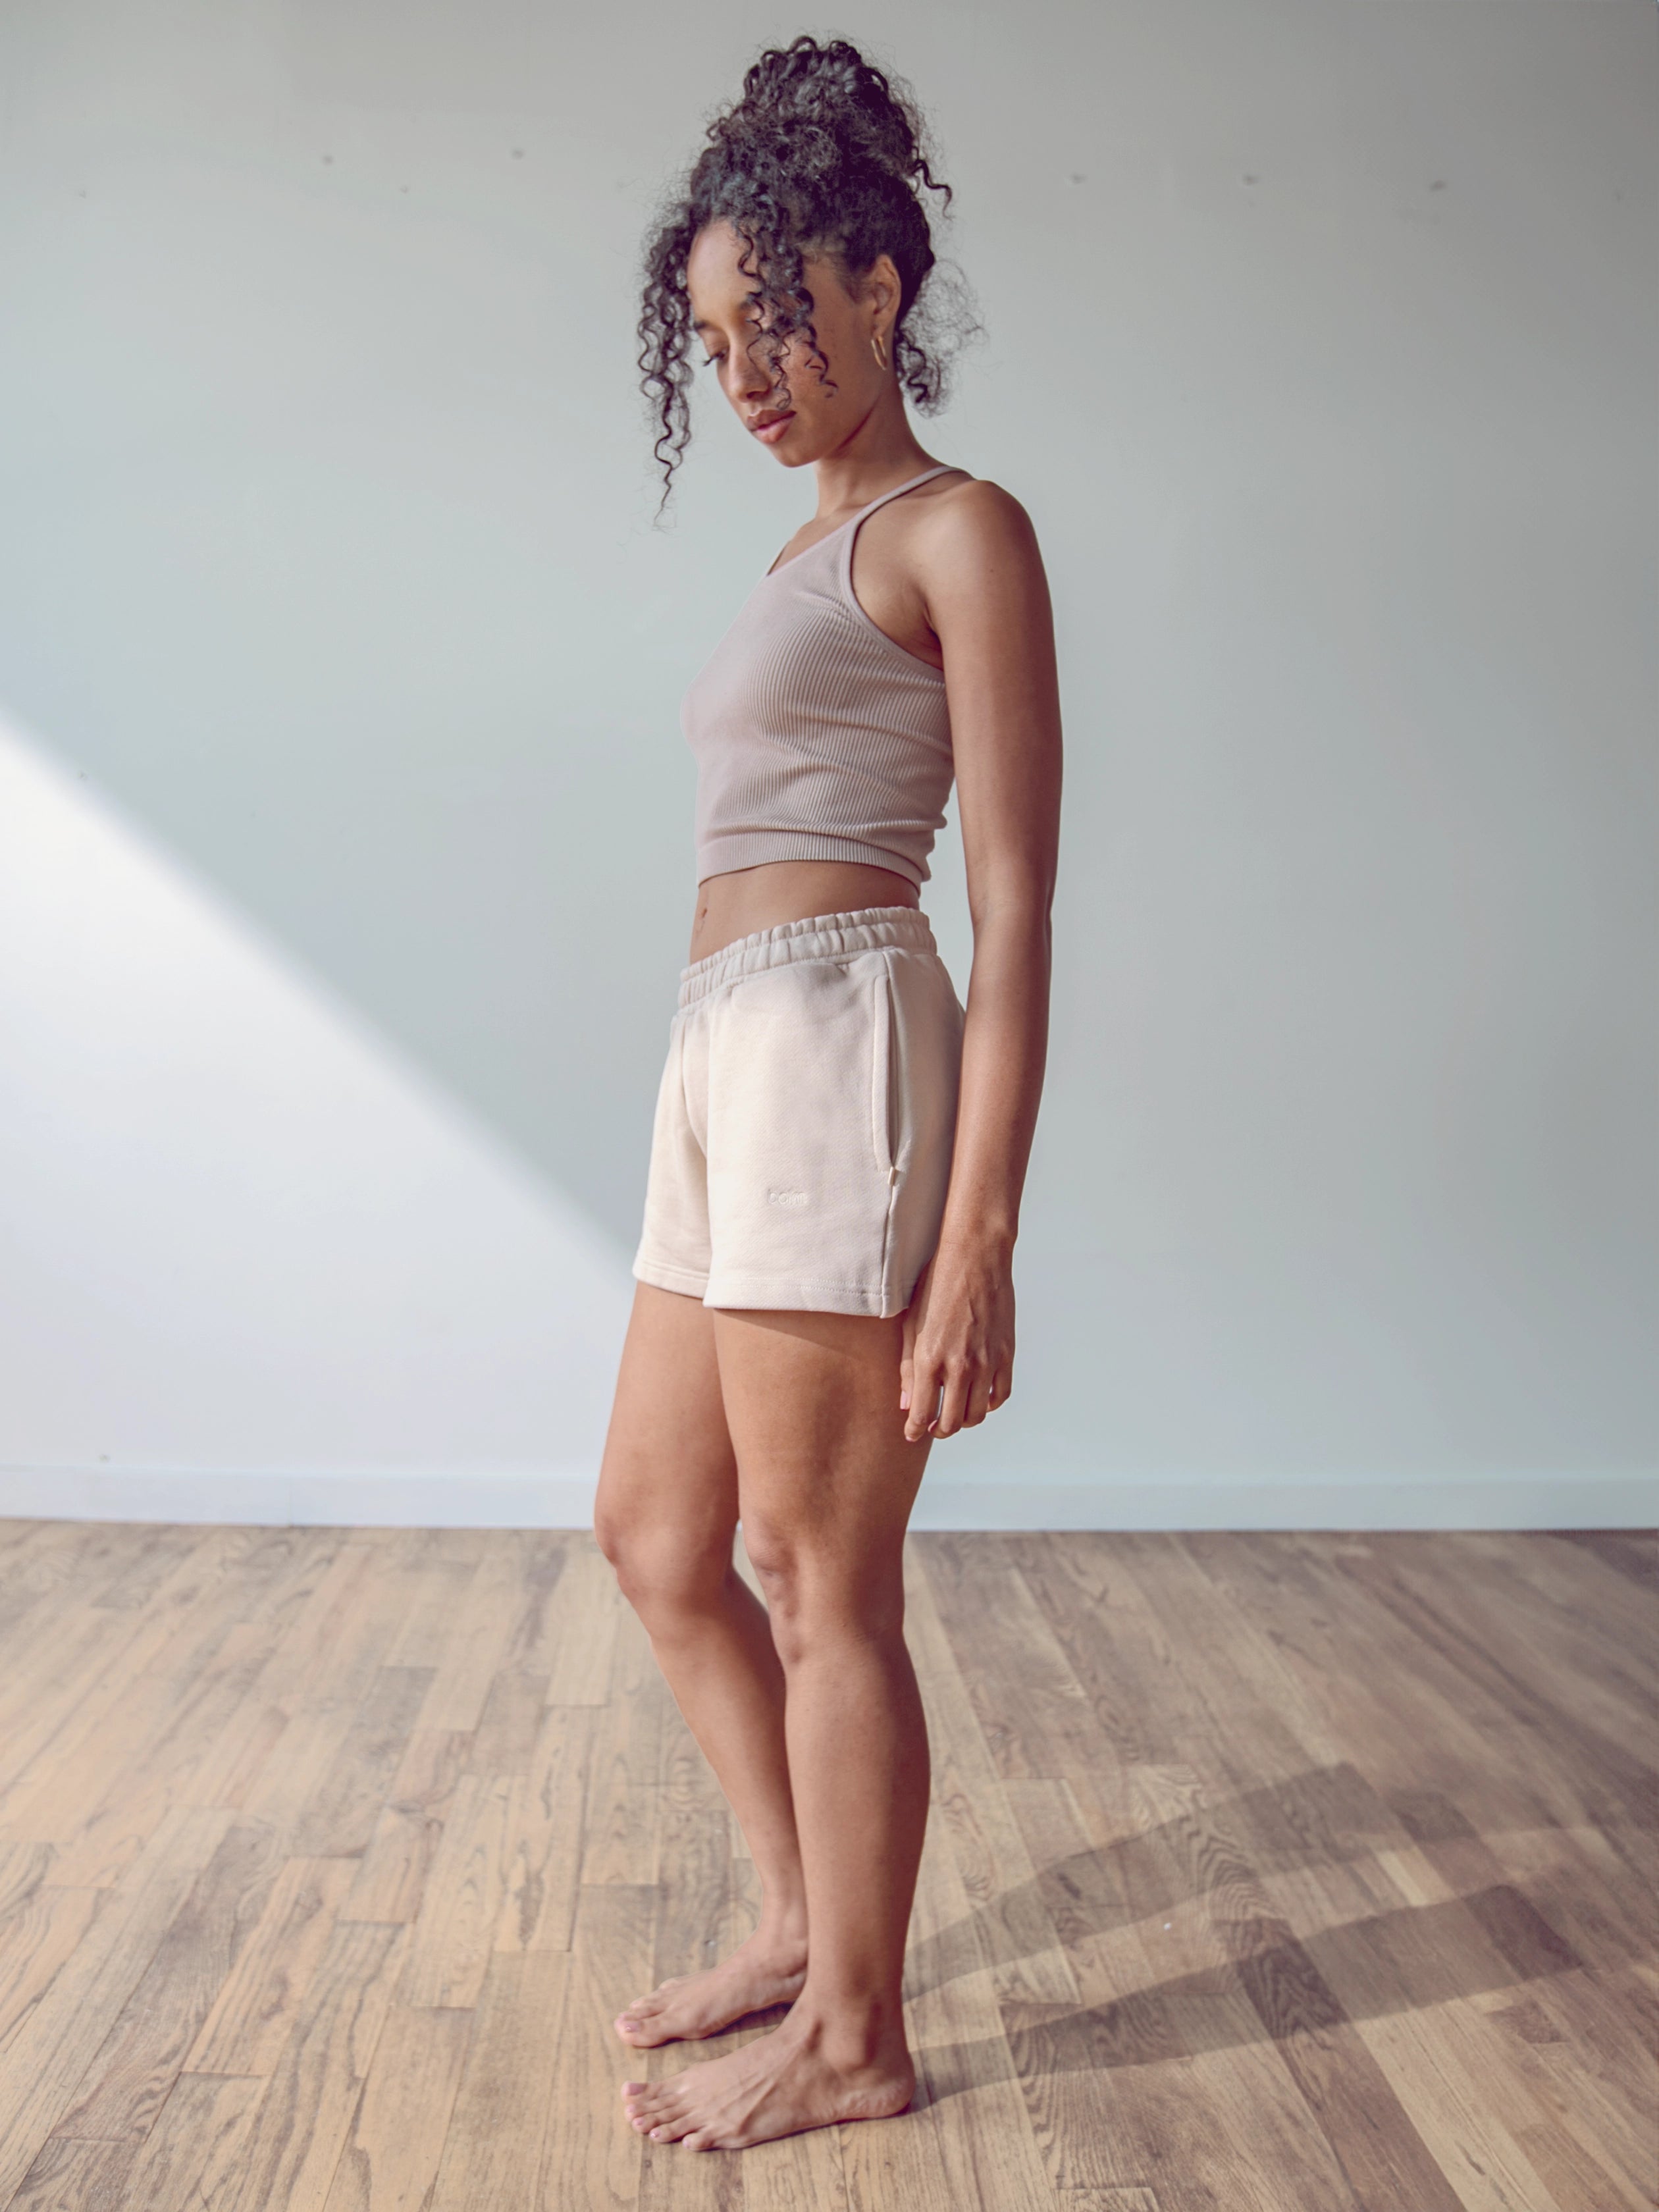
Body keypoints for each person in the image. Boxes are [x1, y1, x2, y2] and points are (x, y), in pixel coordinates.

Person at [594, 34, 1063, 2153]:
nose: (750, 369)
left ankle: (863, 2039)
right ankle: (800, 1913)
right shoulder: (793, 561)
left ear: (880, 283)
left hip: (842, 1046)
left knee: (815, 1573)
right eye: (715, 338)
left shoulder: (960, 532)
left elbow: (1022, 902)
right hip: (719, 1056)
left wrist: (979, 1235)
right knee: (658, 1531)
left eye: (774, 316)